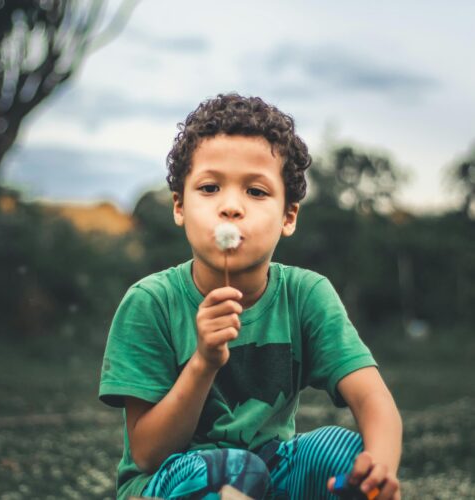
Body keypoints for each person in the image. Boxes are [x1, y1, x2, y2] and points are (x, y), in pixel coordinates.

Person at [99, 93, 402, 500]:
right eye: (209, 187)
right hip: (170, 480)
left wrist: (378, 466)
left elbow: (372, 398)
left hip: (268, 471)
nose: (231, 207)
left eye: (256, 192)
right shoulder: (150, 303)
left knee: (342, 452)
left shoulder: (306, 295)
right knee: (238, 470)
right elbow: (148, 453)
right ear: (180, 206)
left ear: (288, 215)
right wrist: (203, 362)